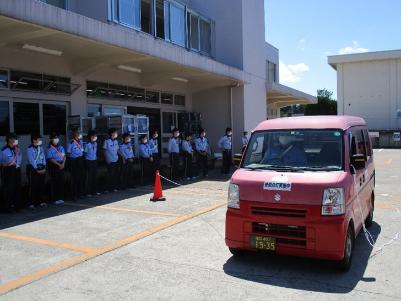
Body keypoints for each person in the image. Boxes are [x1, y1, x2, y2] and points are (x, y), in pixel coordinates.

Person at [0, 133, 22, 213]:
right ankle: (8, 207)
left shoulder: (17, 149)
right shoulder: (3, 150)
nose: (16, 140)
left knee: (17, 188)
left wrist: (17, 164)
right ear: (10, 139)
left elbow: (19, 159)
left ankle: (17, 207)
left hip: (16, 169)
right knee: (9, 189)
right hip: (8, 171)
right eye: (15, 138)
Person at [27, 134, 47, 209]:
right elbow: (31, 160)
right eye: (39, 139)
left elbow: (43, 158)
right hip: (34, 168)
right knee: (33, 186)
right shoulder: (29, 149)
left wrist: (44, 167)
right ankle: (32, 203)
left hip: (42, 167)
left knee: (42, 185)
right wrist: (36, 169)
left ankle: (42, 201)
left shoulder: (40, 148)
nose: (40, 141)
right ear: (34, 140)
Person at [46, 133, 66, 205]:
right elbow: (51, 159)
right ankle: (55, 198)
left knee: (60, 182)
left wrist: (63, 164)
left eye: (57, 137)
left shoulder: (60, 147)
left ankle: (60, 197)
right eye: (54, 138)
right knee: (54, 182)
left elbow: (64, 156)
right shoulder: (49, 148)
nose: (56, 139)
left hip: (61, 165)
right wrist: (59, 165)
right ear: (51, 139)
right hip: (54, 166)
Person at [67, 129, 85, 200]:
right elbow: (68, 153)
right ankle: (74, 195)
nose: (79, 135)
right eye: (78, 133)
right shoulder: (71, 143)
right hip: (74, 161)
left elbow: (82, 150)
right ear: (75, 135)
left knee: (81, 178)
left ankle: (80, 193)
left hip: (80, 160)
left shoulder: (80, 142)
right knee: (75, 179)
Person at [103, 128, 120, 192]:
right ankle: (108, 188)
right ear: (112, 133)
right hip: (110, 160)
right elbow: (104, 150)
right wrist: (106, 159)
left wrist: (123, 156)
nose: (116, 134)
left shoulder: (116, 141)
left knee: (115, 174)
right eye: (115, 133)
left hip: (115, 159)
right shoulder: (107, 141)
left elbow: (118, 150)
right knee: (110, 174)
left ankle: (114, 187)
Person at [84, 130, 100, 197]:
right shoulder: (87, 144)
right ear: (90, 137)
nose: (95, 137)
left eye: (96, 136)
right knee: (89, 177)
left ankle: (94, 191)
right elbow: (85, 153)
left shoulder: (95, 143)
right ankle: (88, 192)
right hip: (89, 161)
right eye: (94, 136)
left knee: (95, 176)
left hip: (94, 161)